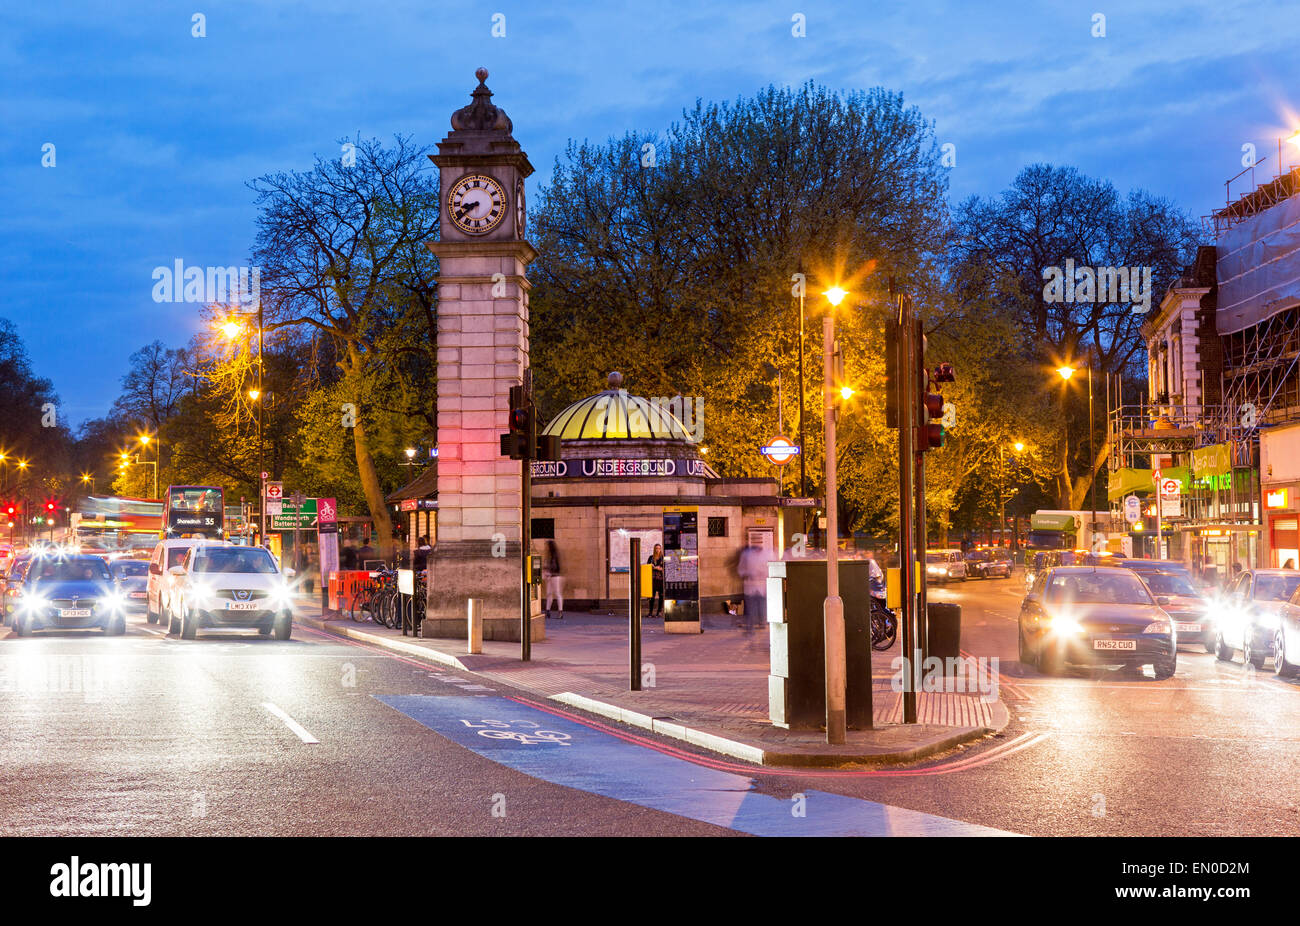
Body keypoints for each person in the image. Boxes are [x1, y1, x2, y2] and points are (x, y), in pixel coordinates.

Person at [737, 543, 768, 638]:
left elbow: (769, 569)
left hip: (762, 586)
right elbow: (741, 569)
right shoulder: (746, 554)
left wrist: (763, 574)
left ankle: (762, 622)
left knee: (762, 606)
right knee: (751, 609)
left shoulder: (767, 555)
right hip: (750, 586)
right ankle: (750, 628)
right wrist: (747, 574)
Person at [543, 540, 564, 619]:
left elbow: (554, 567)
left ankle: (560, 611)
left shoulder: (553, 555)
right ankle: (548, 610)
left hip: (554, 576)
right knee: (549, 594)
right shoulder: (551, 555)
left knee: (556, 593)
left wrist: (548, 571)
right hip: (551, 576)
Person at [647, 543, 665, 618]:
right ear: (654, 549)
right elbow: (647, 566)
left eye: (659, 548)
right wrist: (653, 567)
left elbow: (664, 568)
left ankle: (659, 612)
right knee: (652, 597)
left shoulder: (662, 558)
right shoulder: (651, 557)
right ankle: (650, 612)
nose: (658, 550)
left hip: (660, 579)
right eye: (656, 548)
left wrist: (658, 568)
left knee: (661, 596)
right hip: (652, 579)